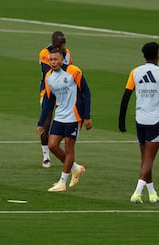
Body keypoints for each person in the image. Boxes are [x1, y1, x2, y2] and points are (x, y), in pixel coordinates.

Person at [119, 42, 159, 204]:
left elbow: (126, 96)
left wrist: (121, 121)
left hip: (139, 120)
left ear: (144, 56)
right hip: (155, 120)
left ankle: (152, 193)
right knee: (149, 159)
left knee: (145, 158)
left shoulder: (135, 72)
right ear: (157, 55)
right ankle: (137, 192)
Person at [36, 49, 92, 192]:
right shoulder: (49, 77)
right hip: (60, 116)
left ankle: (62, 182)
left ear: (63, 59)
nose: (53, 62)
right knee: (52, 145)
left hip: (74, 116)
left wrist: (87, 116)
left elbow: (86, 92)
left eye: (56, 59)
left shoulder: (74, 72)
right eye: (51, 60)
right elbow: (49, 101)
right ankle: (75, 168)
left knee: (69, 147)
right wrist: (41, 122)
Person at [38, 31, 73, 168]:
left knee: (65, 122)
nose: (63, 45)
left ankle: (63, 152)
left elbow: (70, 69)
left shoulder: (67, 52)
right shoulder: (44, 53)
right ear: (53, 41)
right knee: (46, 122)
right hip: (48, 91)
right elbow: (49, 71)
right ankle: (46, 157)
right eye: (60, 42)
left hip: (64, 92)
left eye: (64, 42)